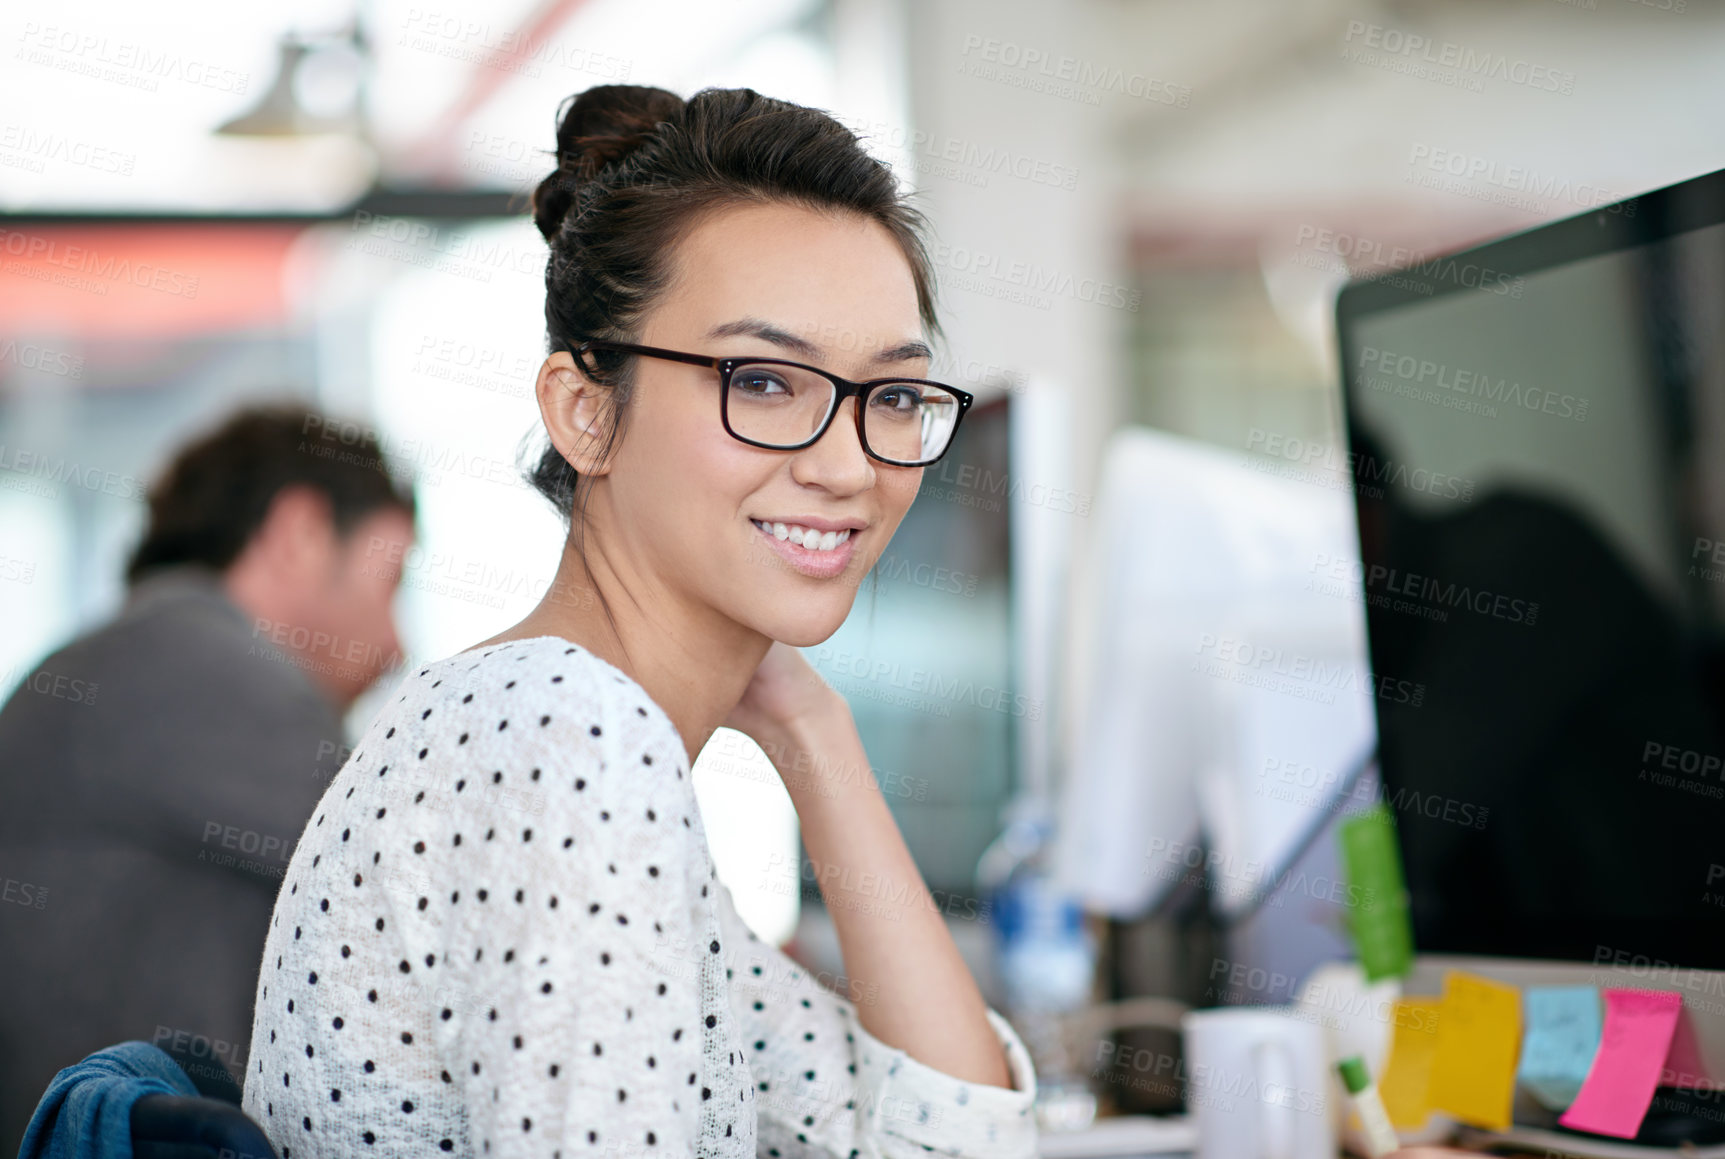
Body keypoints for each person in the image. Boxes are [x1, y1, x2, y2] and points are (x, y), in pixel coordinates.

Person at [241, 84, 1039, 1158]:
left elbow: (958, 1140)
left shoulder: (562, 730)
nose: (850, 465)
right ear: (585, 412)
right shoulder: (563, 740)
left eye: (892, 396)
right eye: (762, 381)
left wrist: (815, 732)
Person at [0, 403, 416, 1151]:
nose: (396, 646)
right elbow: (432, 891)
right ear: (299, 534)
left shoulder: (109, 664)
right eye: (390, 582)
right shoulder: (196, 665)